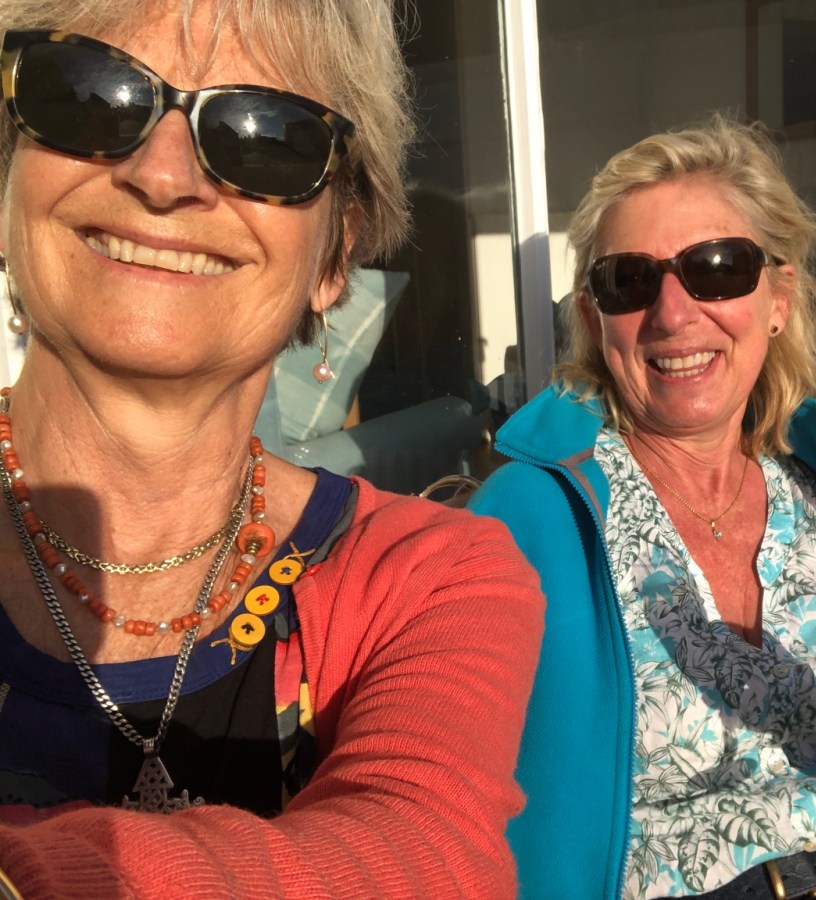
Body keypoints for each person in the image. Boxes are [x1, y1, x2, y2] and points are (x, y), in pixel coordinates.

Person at [0, 2, 544, 897]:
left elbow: (424, 856)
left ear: (334, 259)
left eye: (263, 138)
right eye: (91, 94)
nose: (163, 175)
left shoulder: (429, 575)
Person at [469, 116, 816, 900]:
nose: (673, 314)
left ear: (778, 298)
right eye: (629, 281)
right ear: (595, 317)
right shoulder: (524, 520)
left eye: (718, 269)